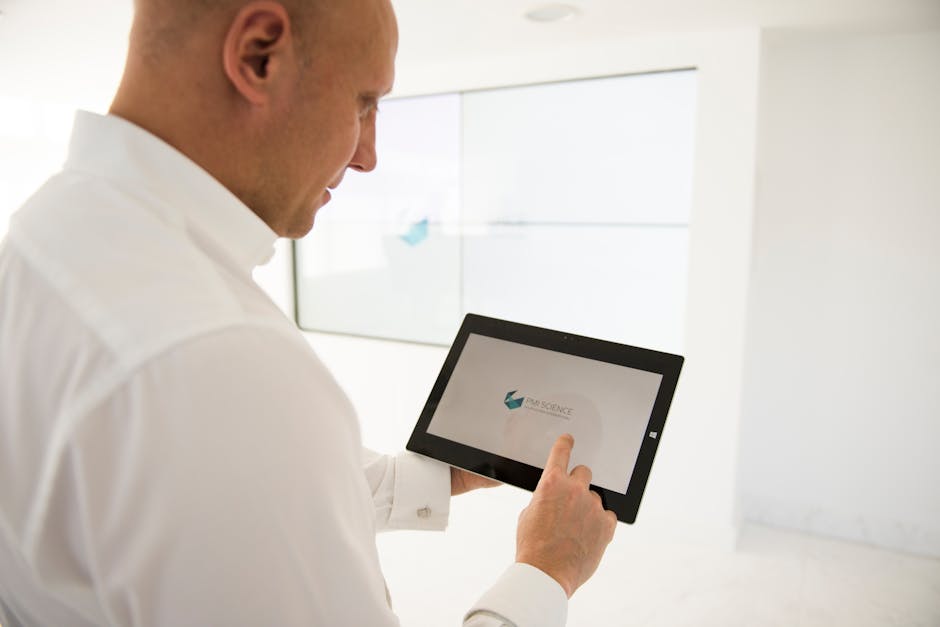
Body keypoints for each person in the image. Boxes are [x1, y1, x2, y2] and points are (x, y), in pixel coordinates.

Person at [0, 0, 617, 624]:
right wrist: (547, 569)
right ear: (258, 54)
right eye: (363, 102)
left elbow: (211, 505)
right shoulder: (218, 361)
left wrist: (439, 477)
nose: (367, 154)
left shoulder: (42, 233)